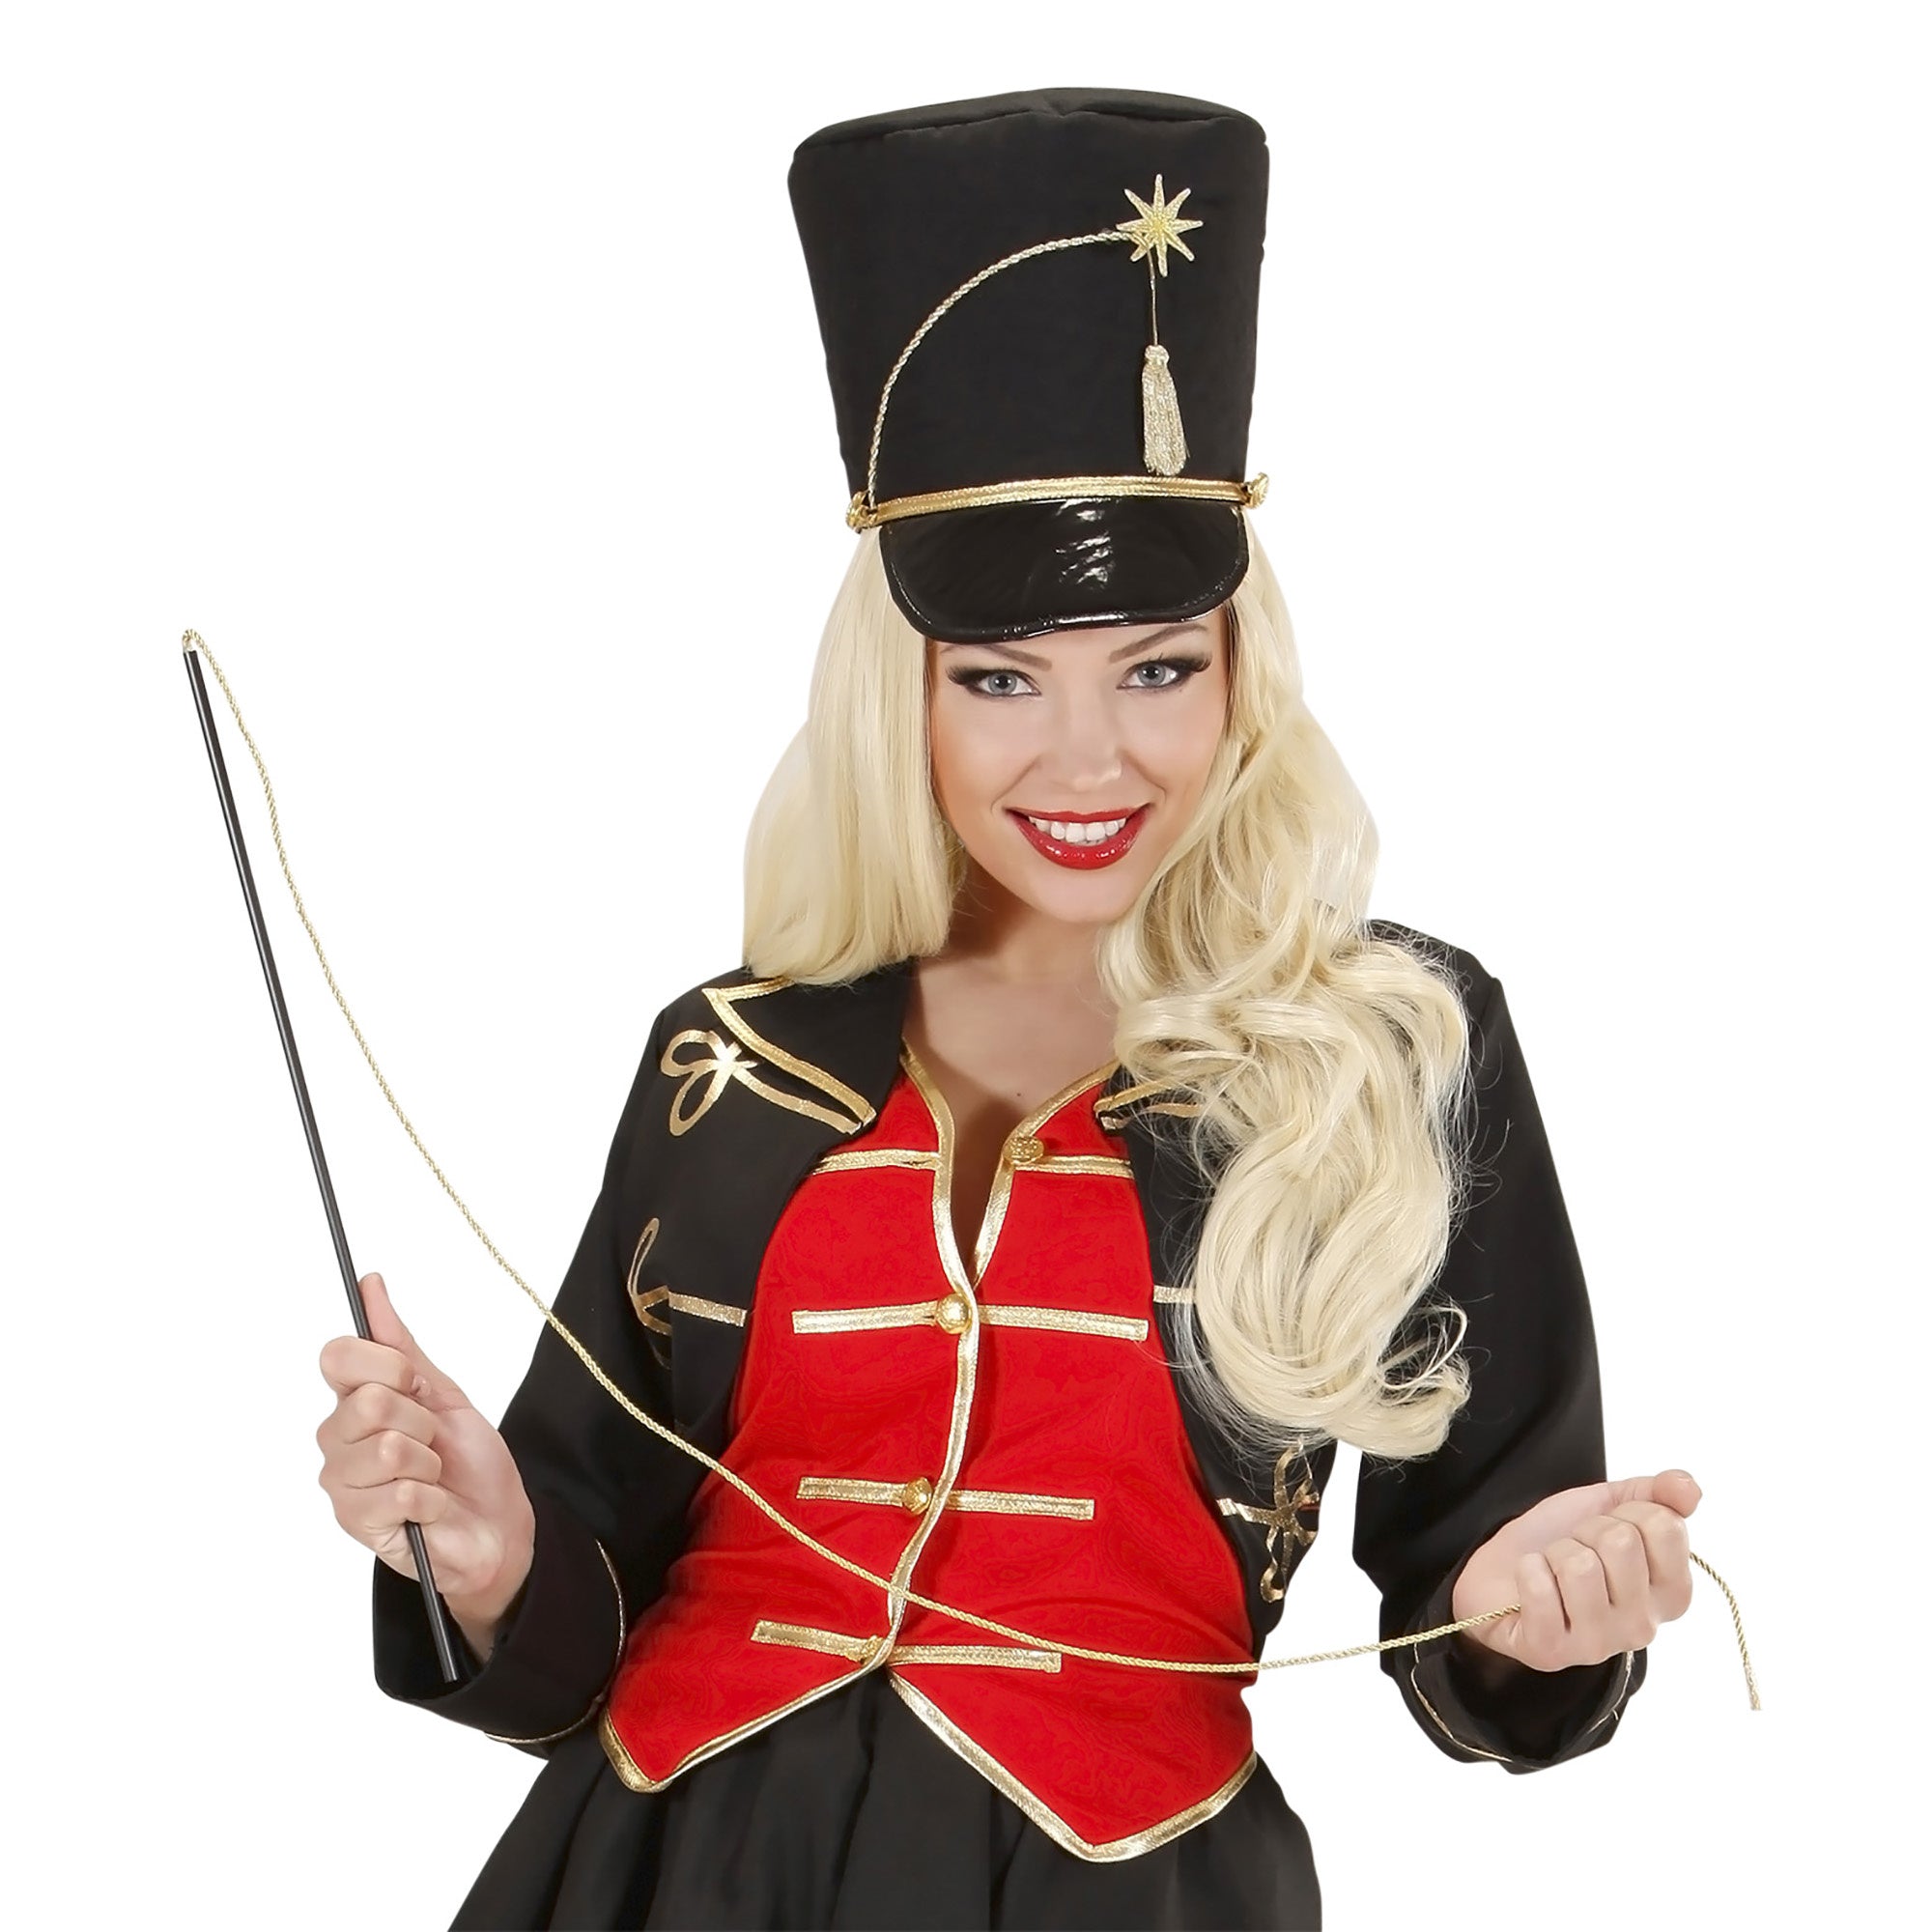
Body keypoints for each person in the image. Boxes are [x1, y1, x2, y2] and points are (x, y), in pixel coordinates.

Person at [315, 89, 1697, 1930]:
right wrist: (490, 1556)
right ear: (899, 693)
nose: (1089, 757)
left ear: (1241, 676)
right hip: (662, 1871)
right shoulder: (729, 1059)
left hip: (1116, 1892)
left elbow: (1488, 1600)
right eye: (996, 679)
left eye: (1157, 669)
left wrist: (1549, 1618)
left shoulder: (1397, 1045)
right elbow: (582, 1589)